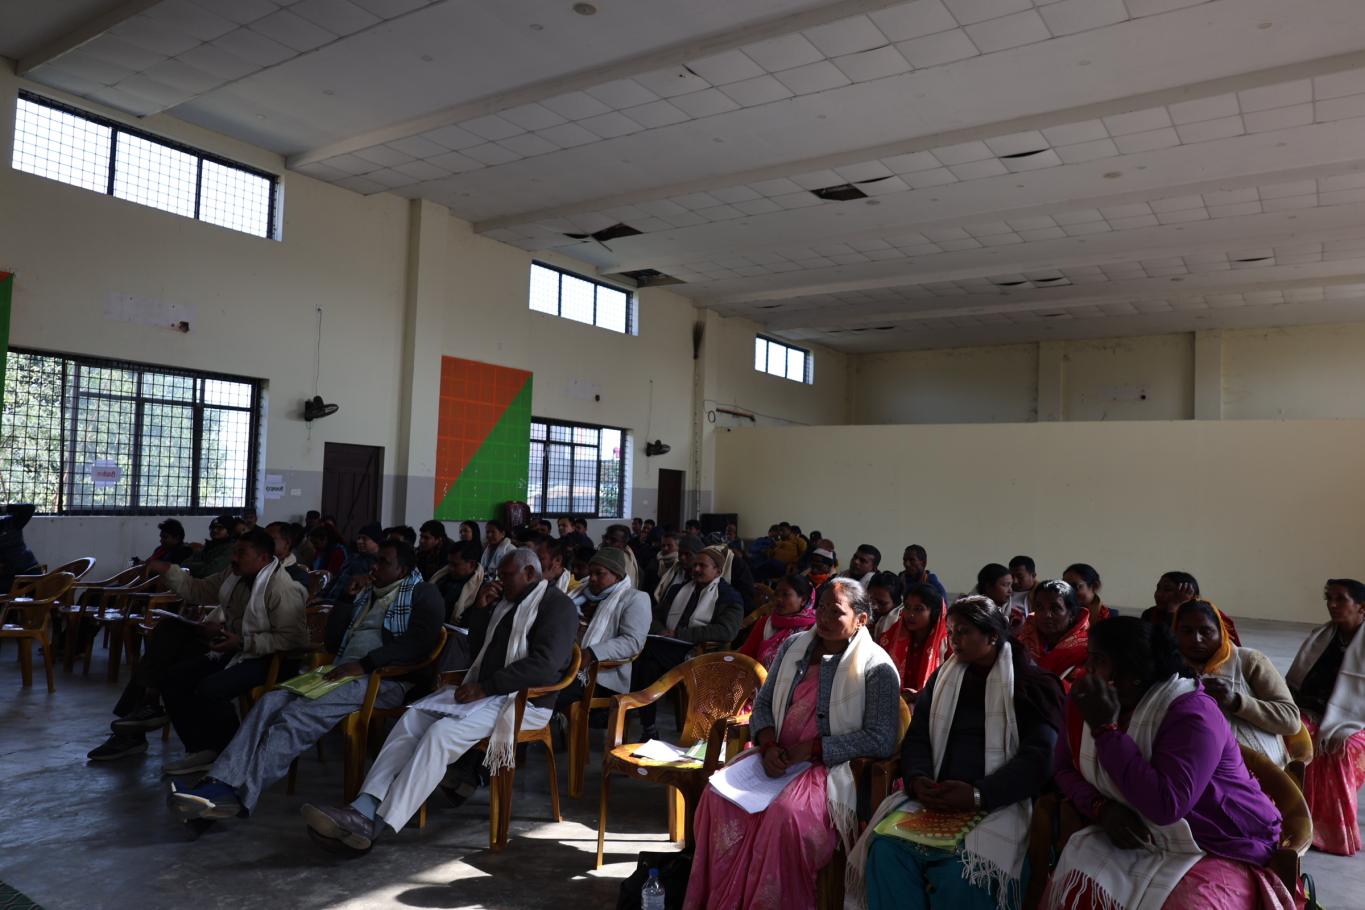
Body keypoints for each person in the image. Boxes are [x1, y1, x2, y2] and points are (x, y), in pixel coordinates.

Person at [299, 547, 577, 851]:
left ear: (530, 573)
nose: (500, 581)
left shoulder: (558, 606)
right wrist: (481, 610)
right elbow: (479, 652)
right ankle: (364, 804)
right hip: (489, 694)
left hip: (526, 701)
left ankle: (374, 823)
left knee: (440, 734)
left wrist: (486, 687)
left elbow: (544, 664)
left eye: (507, 575)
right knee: (413, 717)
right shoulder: (505, 604)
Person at [167, 540, 444, 821]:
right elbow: (334, 642)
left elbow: (419, 643)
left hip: (383, 681)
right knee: (270, 702)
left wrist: (364, 665)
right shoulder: (368, 593)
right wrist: (346, 600)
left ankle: (237, 795)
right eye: (377, 560)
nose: (375, 566)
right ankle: (217, 782)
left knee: (297, 716)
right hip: (342, 671)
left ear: (402, 570)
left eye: (384, 562)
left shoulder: (423, 593)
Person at [1043, 618, 1292, 910]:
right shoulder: (1087, 699)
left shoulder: (1193, 713)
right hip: (1139, 834)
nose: (1087, 669)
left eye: (1098, 660)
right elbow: (1064, 768)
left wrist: (1105, 731)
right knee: (1074, 891)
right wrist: (1101, 808)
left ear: (1131, 674)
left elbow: (1166, 806)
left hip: (1220, 842)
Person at [684, 578, 901, 910]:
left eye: (836, 612)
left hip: (829, 768)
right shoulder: (794, 646)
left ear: (861, 619)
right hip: (778, 756)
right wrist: (768, 743)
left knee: (785, 816)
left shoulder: (877, 667)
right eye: (821, 609)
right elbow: (763, 704)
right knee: (718, 797)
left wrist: (815, 749)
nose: (824, 618)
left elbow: (881, 738)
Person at [853, 596, 1063, 910]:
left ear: (992, 636)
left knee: (963, 871)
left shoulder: (1033, 685)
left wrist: (979, 794)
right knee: (886, 850)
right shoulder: (944, 678)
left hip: (999, 801)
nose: (954, 640)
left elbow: (1040, 758)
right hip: (938, 797)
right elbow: (918, 737)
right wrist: (919, 780)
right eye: (951, 632)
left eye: (963, 632)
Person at [89, 529, 309, 771]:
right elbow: (199, 589)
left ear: (264, 558)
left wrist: (243, 642)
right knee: (172, 668)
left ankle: (228, 753)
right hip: (236, 647)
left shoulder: (282, 588)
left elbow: (295, 640)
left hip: (271, 658)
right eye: (234, 552)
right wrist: (167, 570)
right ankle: (197, 746)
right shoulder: (234, 576)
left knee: (208, 687)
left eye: (241, 553)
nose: (233, 558)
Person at [631, 546, 744, 740]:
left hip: (699, 653)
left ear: (718, 571)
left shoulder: (728, 596)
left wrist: (681, 634)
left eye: (702, 566)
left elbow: (726, 630)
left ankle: (620, 704)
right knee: (647, 666)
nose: (696, 569)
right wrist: (661, 631)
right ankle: (649, 729)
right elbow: (655, 616)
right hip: (667, 647)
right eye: (695, 565)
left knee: (643, 657)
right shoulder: (678, 589)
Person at [1287, 577, 1365, 855]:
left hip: (1358, 721)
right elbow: (1296, 685)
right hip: (1314, 711)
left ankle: (1332, 834)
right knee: (1291, 732)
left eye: (1341, 599)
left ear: (1362, 607)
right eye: (1329, 598)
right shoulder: (1321, 637)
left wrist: (1343, 722)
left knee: (1339, 746)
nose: (1332, 605)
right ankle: (1293, 821)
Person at [1174, 599, 1299, 766]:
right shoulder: (1170, 670)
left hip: (1263, 770)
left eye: (1206, 631)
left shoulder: (1248, 661)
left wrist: (1236, 701)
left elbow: (1291, 720)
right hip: (1196, 767)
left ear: (1221, 632)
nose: (1196, 639)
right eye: (1186, 631)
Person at [557, 547, 650, 711]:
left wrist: (592, 653)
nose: (592, 578)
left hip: (596, 675)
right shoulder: (579, 593)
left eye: (599, 574)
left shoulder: (634, 598)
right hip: (563, 660)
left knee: (550, 694)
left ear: (617, 575)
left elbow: (632, 641)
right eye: (591, 573)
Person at [1016, 580, 1091, 690]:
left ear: (1072, 614)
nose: (1046, 615)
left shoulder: (1086, 650)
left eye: (1055, 608)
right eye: (1039, 607)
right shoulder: (1023, 639)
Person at [878, 582, 949, 700]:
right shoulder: (890, 637)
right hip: (893, 699)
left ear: (933, 612)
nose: (910, 614)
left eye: (918, 609)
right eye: (907, 607)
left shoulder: (947, 643)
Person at [738, 573, 816, 669]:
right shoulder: (766, 623)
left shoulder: (813, 629)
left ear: (803, 600)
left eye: (785, 595)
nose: (778, 599)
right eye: (776, 594)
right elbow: (745, 656)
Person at [1143, 571, 1241, 646]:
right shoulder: (1150, 613)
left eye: (1167, 590)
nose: (1159, 594)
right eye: (1158, 588)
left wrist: (1175, 608)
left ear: (1190, 595)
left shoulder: (1208, 616)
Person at [319, 523, 382, 601]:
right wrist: (321, 596)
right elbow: (335, 579)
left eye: (364, 538)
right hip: (330, 600)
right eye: (358, 538)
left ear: (376, 542)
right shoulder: (353, 558)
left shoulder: (377, 564)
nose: (359, 541)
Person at [437, 540, 484, 624]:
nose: (450, 568)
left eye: (455, 565)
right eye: (449, 563)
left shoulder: (481, 590)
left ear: (471, 564)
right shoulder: (442, 577)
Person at [266, 521, 313, 587]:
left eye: (270, 539)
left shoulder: (298, 577)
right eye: (262, 538)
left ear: (287, 544)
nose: (262, 543)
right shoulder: (260, 565)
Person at [867, 571, 904, 640]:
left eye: (882, 603)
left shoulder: (897, 622)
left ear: (896, 603)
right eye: (870, 601)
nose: (874, 607)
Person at [1007, 556, 1036, 628]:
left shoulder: (1043, 593)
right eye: (1012, 576)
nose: (1015, 581)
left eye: (1020, 577)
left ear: (1033, 575)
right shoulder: (1002, 591)